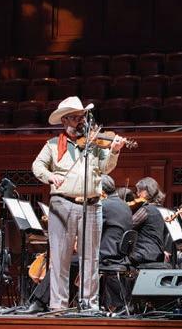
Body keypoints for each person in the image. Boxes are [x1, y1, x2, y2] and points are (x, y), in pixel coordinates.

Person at [32, 96, 126, 311]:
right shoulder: (53, 145)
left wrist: (115, 151)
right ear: (64, 120)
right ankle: (58, 306)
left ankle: (90, 305)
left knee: (91, 258)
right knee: (60, 258)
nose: (80, 121)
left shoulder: (94, 143)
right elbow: (37, 166)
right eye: (74, 118)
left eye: (82, 117)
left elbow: (105, 168)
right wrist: (50, 176)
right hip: (62, 204)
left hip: (92, 205)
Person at [97, 175, 133, 311]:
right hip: (120, 254)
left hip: (107, 255)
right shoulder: (125, 206)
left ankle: (41, 301)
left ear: (101, 192)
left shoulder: (104, 205)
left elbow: (92, 230)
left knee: (68, 263)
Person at [130, 177, 169, 267]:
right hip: (159, 254)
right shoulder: (162, 209)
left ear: (147, 191)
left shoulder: (146, 209)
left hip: (143, 253)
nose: (137, 194)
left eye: (139, 191)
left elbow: (130, 225)